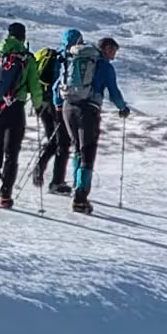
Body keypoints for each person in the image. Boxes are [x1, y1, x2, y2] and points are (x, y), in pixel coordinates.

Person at [53, 31, 125, 212]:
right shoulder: (103, 66)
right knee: (88, 151)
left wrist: (59, 106)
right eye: (113, 52)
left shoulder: (74, 60)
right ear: (107, 48)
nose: (113, 57)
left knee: (77, 148)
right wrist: (123, 108)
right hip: (88, 110)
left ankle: (78, 188)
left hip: (69, 107)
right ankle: (80, 197)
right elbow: (114, 92)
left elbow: (57, 86)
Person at [0, 19, 36, 205]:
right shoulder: (28, 58)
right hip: (16, 107)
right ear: (23, 37)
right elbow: (35, 87)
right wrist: (38, 103)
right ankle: (5, 194)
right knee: (12, 151)